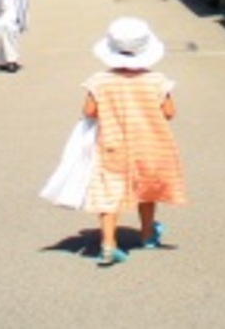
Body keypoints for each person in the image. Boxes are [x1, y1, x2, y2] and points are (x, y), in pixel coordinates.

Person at [80, 16, 187, 266]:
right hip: (151, 143)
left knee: (110, 190)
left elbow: (89, 110)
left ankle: (108, 244)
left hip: (113, 144)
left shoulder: (99, 81)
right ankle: (148, 234)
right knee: (147, 187)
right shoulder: (158, 81)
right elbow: (169, 112)